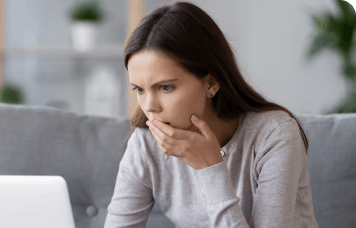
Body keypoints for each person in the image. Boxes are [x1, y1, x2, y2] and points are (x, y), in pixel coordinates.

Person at [105, 1, 319, 227]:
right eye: (139, 89)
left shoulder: (274, 135)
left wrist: (210, 169)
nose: (149, 107)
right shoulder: (145, 141)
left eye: (165, 87)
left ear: (211, 83)